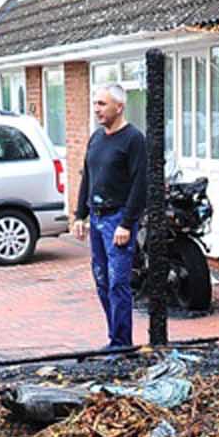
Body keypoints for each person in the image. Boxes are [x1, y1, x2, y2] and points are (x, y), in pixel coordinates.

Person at [74, 83, 148, 349]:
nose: (97, 110)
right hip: (96, 218)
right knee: (102, 280)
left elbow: (140, 184)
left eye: (102, 104)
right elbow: (88, 176)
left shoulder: (133, 139)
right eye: (95, 104)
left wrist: (127, 223)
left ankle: (122, 344)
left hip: (118, 220)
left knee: (118, 283)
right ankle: (113, 338)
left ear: (120, 106)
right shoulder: (96, 138)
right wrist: (79, 215)